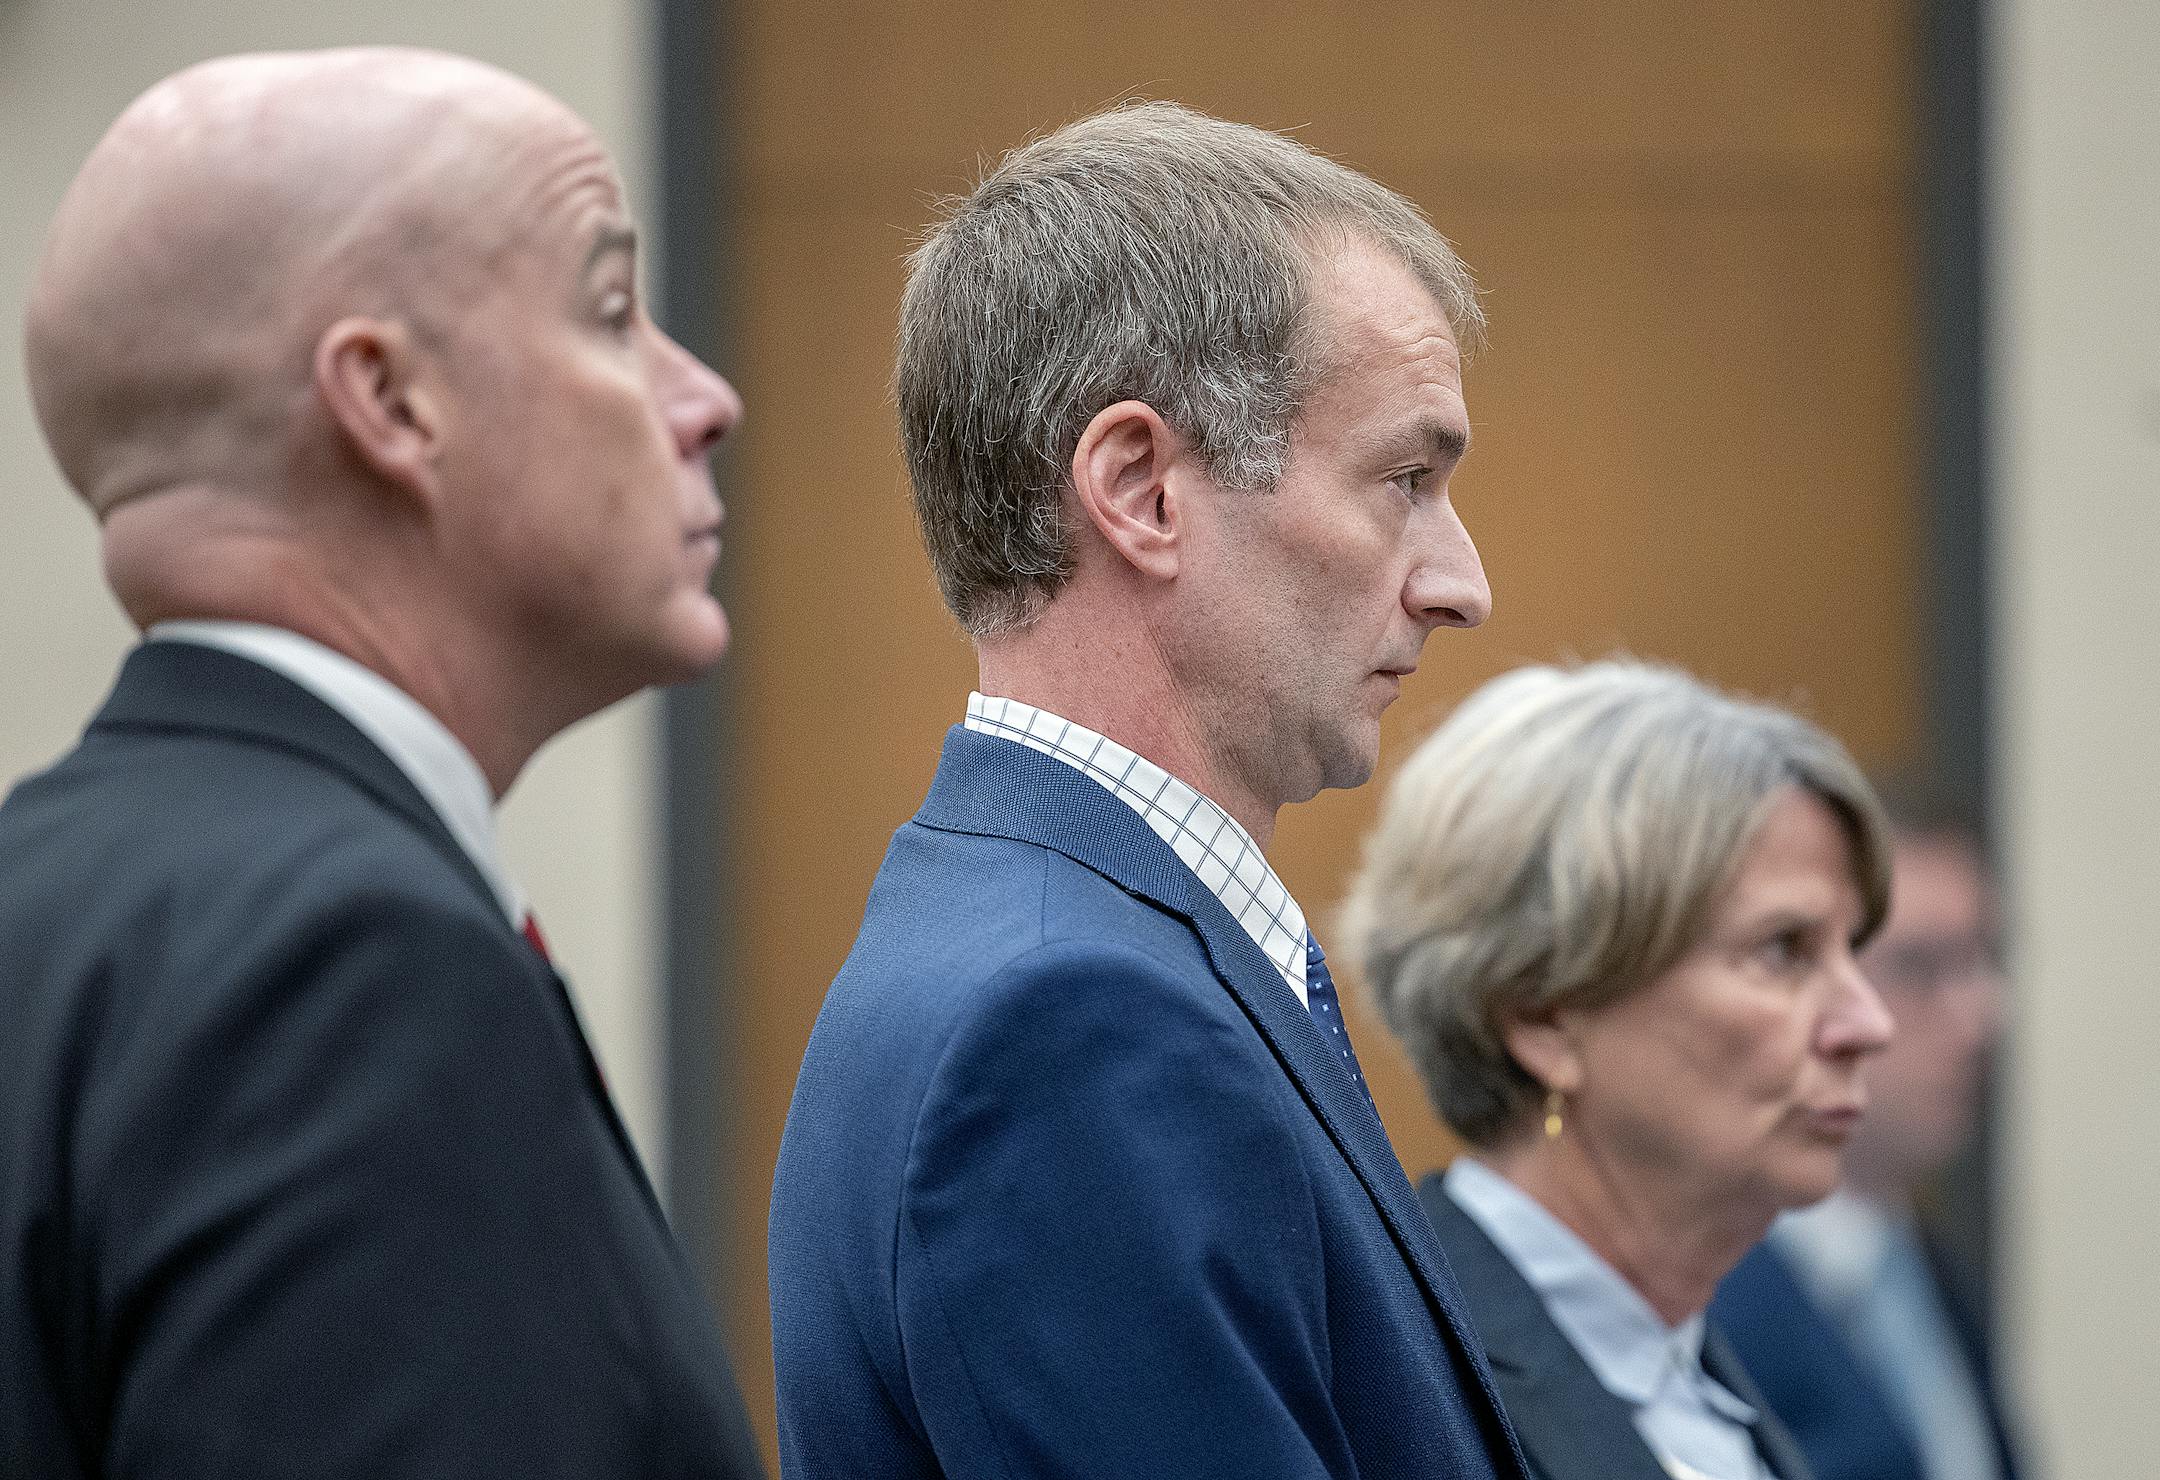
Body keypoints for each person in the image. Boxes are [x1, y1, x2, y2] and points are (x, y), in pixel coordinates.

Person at [0, 48, 764, 1478]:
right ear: (392, 402)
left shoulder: (49, 898)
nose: (702, 395)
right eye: (611, 311)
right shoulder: (352, 969)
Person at [768, 102, 1527, 1479]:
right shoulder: (1064, 1022)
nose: (1461, 584)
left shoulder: (1035, 940)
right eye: (1404, 479)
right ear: (1140, 489)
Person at [1340, 660, 1898, 1480]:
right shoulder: (1396, 1374)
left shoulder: (1708, 1378)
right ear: (1543, 1013)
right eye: (1784, 951)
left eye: (1852, 952)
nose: (1868, 1025)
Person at [1712, 790, 2024, 1480]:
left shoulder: (1938, 1277)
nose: (1981, 1014)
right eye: (1922, 965)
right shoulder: (1703, 1300)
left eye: (1982, 959)